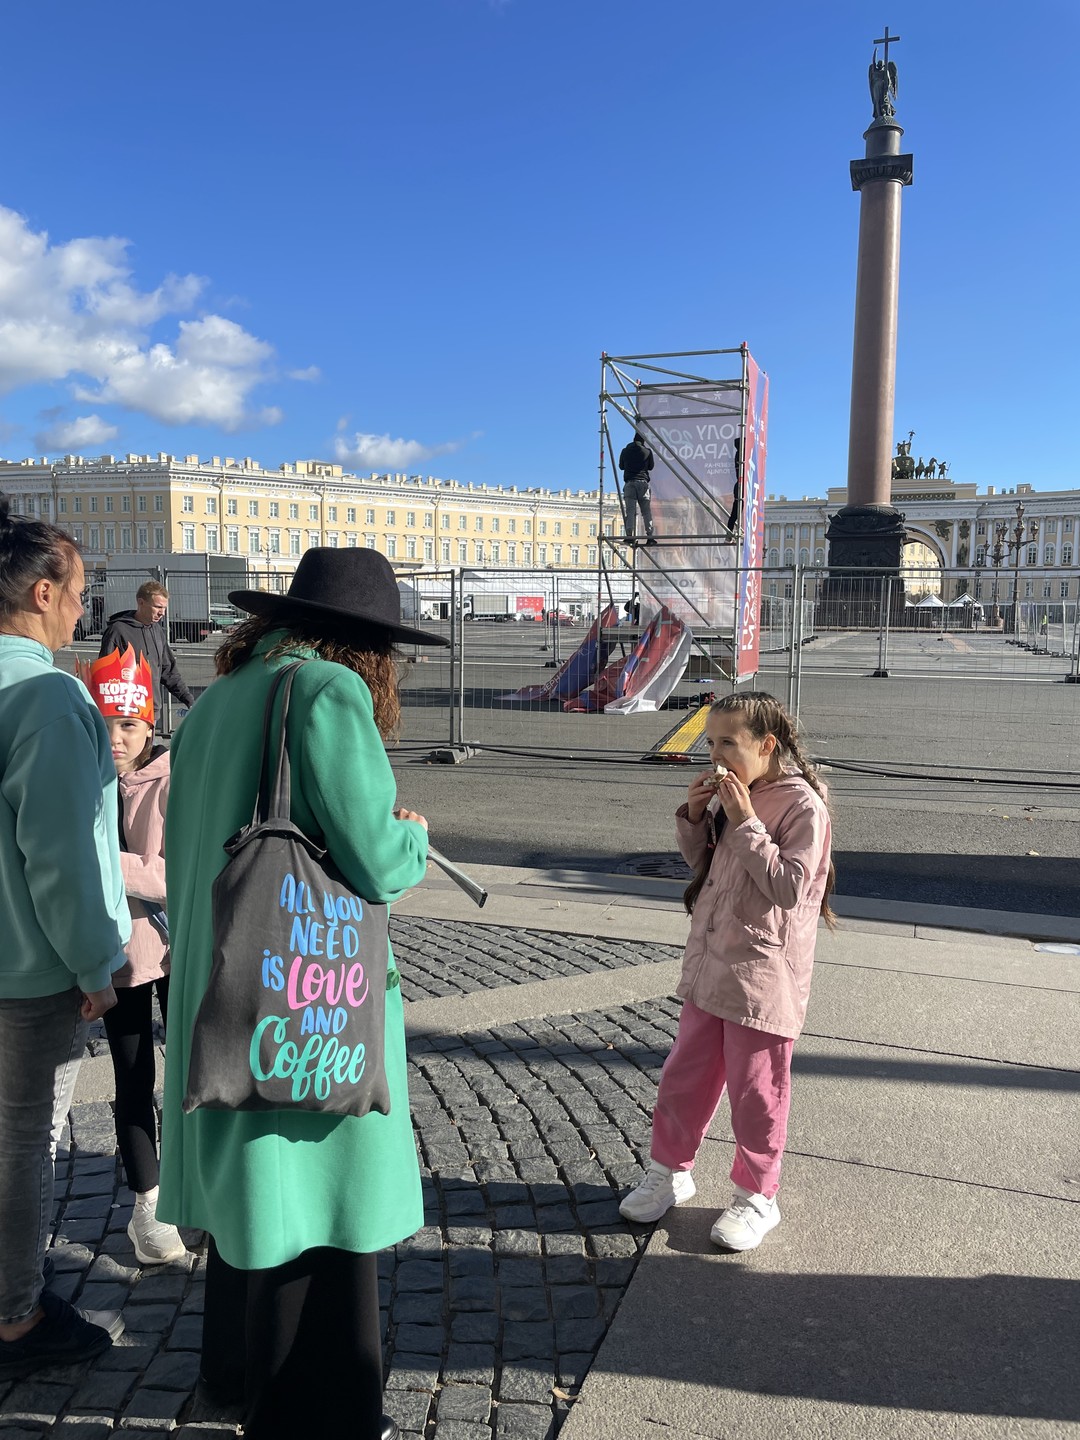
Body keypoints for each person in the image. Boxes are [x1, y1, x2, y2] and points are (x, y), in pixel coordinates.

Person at [157, 547, 451, 1440]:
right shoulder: (329, 693)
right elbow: (369, 857)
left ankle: (231, 1374)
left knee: (252, 1196)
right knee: (316, 1212)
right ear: (369, 644)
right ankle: (316, 1415)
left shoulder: (220, 697)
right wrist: (413, 838)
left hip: (224, 973)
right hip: (301, 991)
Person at [619, 692, 834, 1251]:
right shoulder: (734, 796)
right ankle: (669, 1171)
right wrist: (696, 818)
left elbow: (789, 886)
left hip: (764, 977)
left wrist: (743, 820)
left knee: (757, 1091)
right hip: (711, 965)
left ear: (767, 745)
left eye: (728, 743)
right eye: (710, 742)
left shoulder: (803, 805)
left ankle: (757, 1196)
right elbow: (705, 865)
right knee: (684, 1076)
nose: (715, 754)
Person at [0, 495, 130, 1374]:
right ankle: (13, 1315)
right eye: (80, 594)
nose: (83, 610)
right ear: (44, 593)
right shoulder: (47, 695)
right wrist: (98, 960)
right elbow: (62, 851)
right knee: (21, 1146)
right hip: (27, 967)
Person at [78, 646, 186, 1268]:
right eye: (106, 723)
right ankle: (146, 1202)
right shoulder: (83, 777)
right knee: (132, 1078)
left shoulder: (171, 780)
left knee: (189, 1071)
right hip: (114, 957)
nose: (116, 738)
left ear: (149, 724)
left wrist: (108, 864)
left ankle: (189, 1185)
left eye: (129, 725)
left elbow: (179, 873)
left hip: (172, 948)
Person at [99, 581, 194, 731]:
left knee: (148, 754)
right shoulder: (118, 631)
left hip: (152, 712)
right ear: (141, 602)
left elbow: (168, 671)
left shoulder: (157, 631)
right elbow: (105, 675)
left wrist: (189, 700)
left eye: (164, 608)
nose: (162, 612)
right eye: (157, 607)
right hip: (128, 713)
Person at [618, 430, 657, 545]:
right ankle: (650, 537)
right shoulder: (647, 452)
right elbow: (651, 467)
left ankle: (629, 536)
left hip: (630, 483)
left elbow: (621, 466)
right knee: (646, 511)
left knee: (630, 511)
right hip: (643, 483)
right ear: (643, 441)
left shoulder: (625, 451)